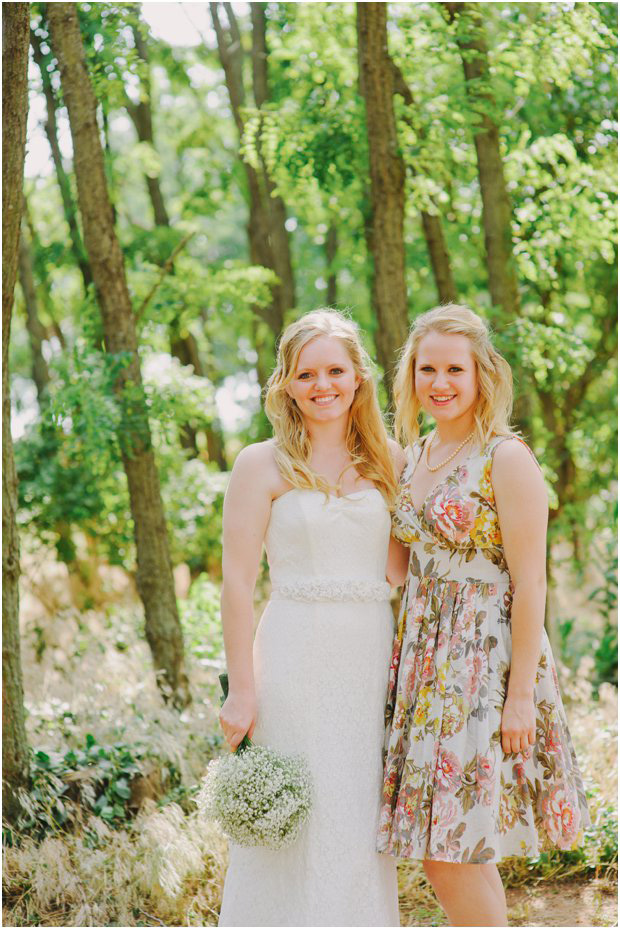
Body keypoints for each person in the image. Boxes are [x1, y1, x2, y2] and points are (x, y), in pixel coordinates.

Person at [377, 304, 589, 927]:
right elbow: (393, 569)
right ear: (410, 376)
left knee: (453, 851)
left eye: (453, 369)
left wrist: (519, 695)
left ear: (480, 376)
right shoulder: (410, 459)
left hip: (482, 661)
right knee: (451, 849)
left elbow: (532, 583)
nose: (439, 383)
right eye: (426, 369)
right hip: (423, 660)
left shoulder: (506, 457)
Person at [218, 309, 405, 927]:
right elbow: (239, 585)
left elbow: (403, 572)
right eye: (306, 374)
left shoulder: (392, 463)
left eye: (334, 370)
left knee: (355, 818)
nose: (322, 384)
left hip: (368, 657)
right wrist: (241, 691)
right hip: (291, 656)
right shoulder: (260, 464)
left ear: (358, 378)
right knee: (293, 818)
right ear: (287, 385)